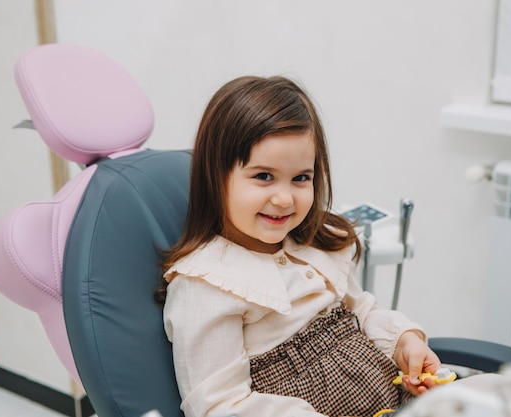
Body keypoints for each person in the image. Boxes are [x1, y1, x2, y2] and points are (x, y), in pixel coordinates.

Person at [155, 75, 442, 417]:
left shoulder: (314, 244)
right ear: (216, 176)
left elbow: (361, 313)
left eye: (301, 178)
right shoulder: (206, 285)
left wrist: (403, 344)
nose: (284, 198)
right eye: (263, 176)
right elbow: (220, 406)